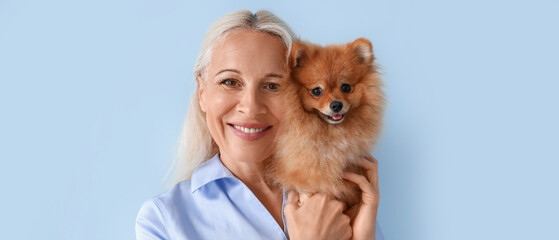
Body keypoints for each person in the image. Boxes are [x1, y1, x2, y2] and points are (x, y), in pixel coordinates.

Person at [135, 10, 384, 240]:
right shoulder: (162, 220)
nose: (251, 107)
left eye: (272, 86)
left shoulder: (339, 190)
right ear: (202, 92)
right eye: (230, 82)